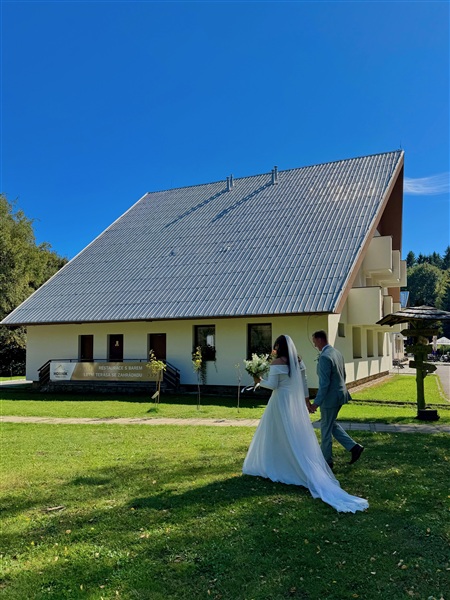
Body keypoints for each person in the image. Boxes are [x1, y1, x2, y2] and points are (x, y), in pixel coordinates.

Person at [242, 335, 368, 513]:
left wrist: (259, 380)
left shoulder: (277, 363)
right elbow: (304, 382)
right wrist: (307, 400)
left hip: (280, 401)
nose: (274, 349)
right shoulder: (298, 361)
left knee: (276, 432)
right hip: (295, 402)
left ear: (280, 347)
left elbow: (273, 385)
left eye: (276, 346)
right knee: (296, 432)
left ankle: (278, 463)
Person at [310, 330, 364, 469]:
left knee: (325, 430)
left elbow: (324, 384)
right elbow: (343, 375)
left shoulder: (325, 357)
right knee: (330, 424)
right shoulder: (337, 353)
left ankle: (327, 462)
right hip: (340, 394)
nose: (315, 345)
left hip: (330, 398)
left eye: (315, 342)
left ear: (320, 339)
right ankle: (354, 448)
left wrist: (316, 403)